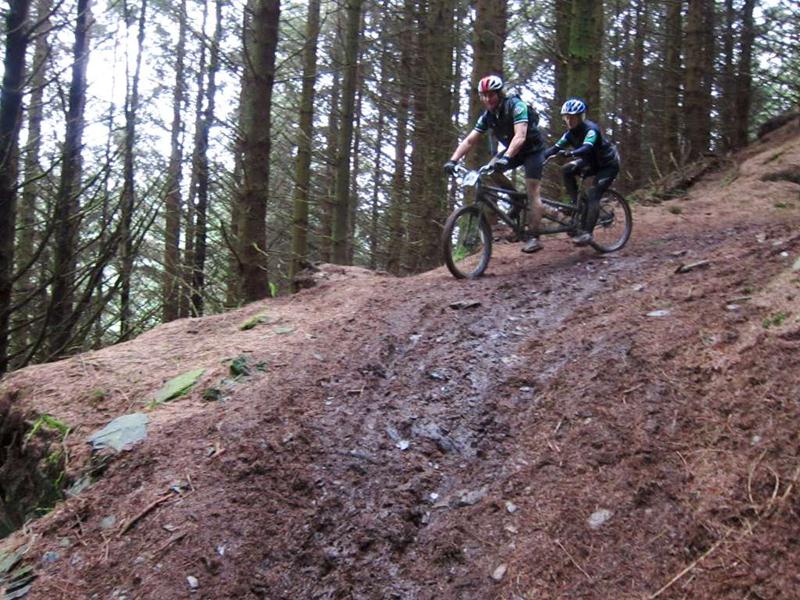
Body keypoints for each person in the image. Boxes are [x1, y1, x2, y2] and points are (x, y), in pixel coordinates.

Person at [444, 75, 547, 253]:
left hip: (533, 151)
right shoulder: (488, 116)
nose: (487, 99)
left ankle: (534, 237)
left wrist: (506, 157)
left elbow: (520, 136)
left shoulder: (516, 106)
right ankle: (516, 200)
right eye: (483, 95)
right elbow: (469, 141)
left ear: (500, 94)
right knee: (491, 170)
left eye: (491, 95)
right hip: (513, 151)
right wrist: (453, 160)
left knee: (533, 191)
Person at [543, 97, 620, 246]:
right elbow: (554, 149)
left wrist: (571, 153)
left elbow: (587, 147)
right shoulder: (569, 134)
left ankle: (587, 234)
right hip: (591, 162)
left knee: (594, 194)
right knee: (567, 170)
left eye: (572, 117)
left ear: (580, 117)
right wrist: (540, 158)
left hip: (607, 164)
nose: (569, 121)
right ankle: (578, 204)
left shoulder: (591, 130)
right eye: (566, 117)